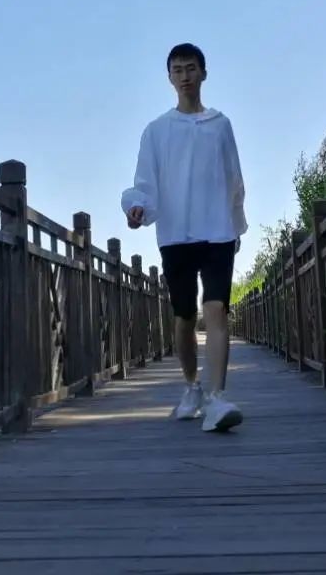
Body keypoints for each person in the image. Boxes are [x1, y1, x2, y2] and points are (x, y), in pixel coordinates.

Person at [121, 42, 247, 432]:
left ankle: (217, 398)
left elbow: (234, 178)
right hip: (176, 234)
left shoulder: (220, 124)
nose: (185, 76)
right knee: (184, 316)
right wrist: (137, 207)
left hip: (217, 231)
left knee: (216, 309)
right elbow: (144, 182)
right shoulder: (157, 131)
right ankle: (192, 386)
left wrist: (236, 224)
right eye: (177, 70)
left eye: (191, 68)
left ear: (203, 73)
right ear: (169, 78)